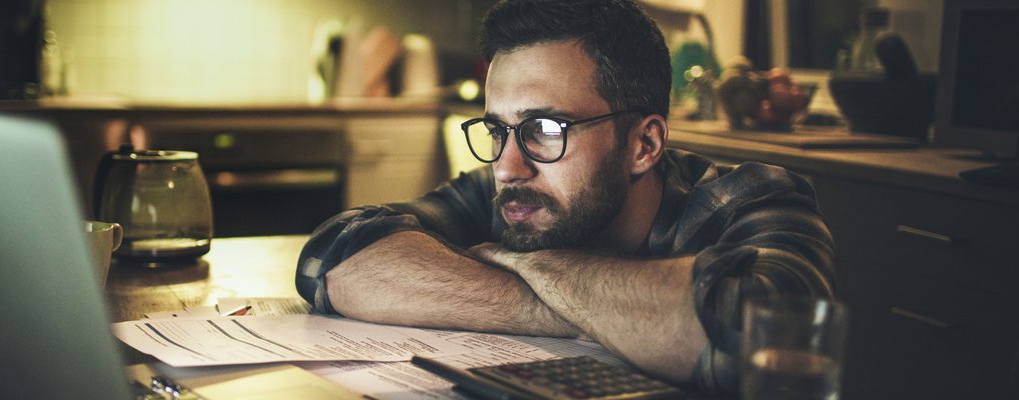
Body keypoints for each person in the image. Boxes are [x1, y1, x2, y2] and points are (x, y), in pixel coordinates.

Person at [295, 0, 834, 394]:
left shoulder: (753, 199)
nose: (507, 165)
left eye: (546, 129)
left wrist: (519, 263)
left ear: (644, 144)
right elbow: (335, 256)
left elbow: (764, 330)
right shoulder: (514, 191)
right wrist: (591, 310)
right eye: (496, 130)